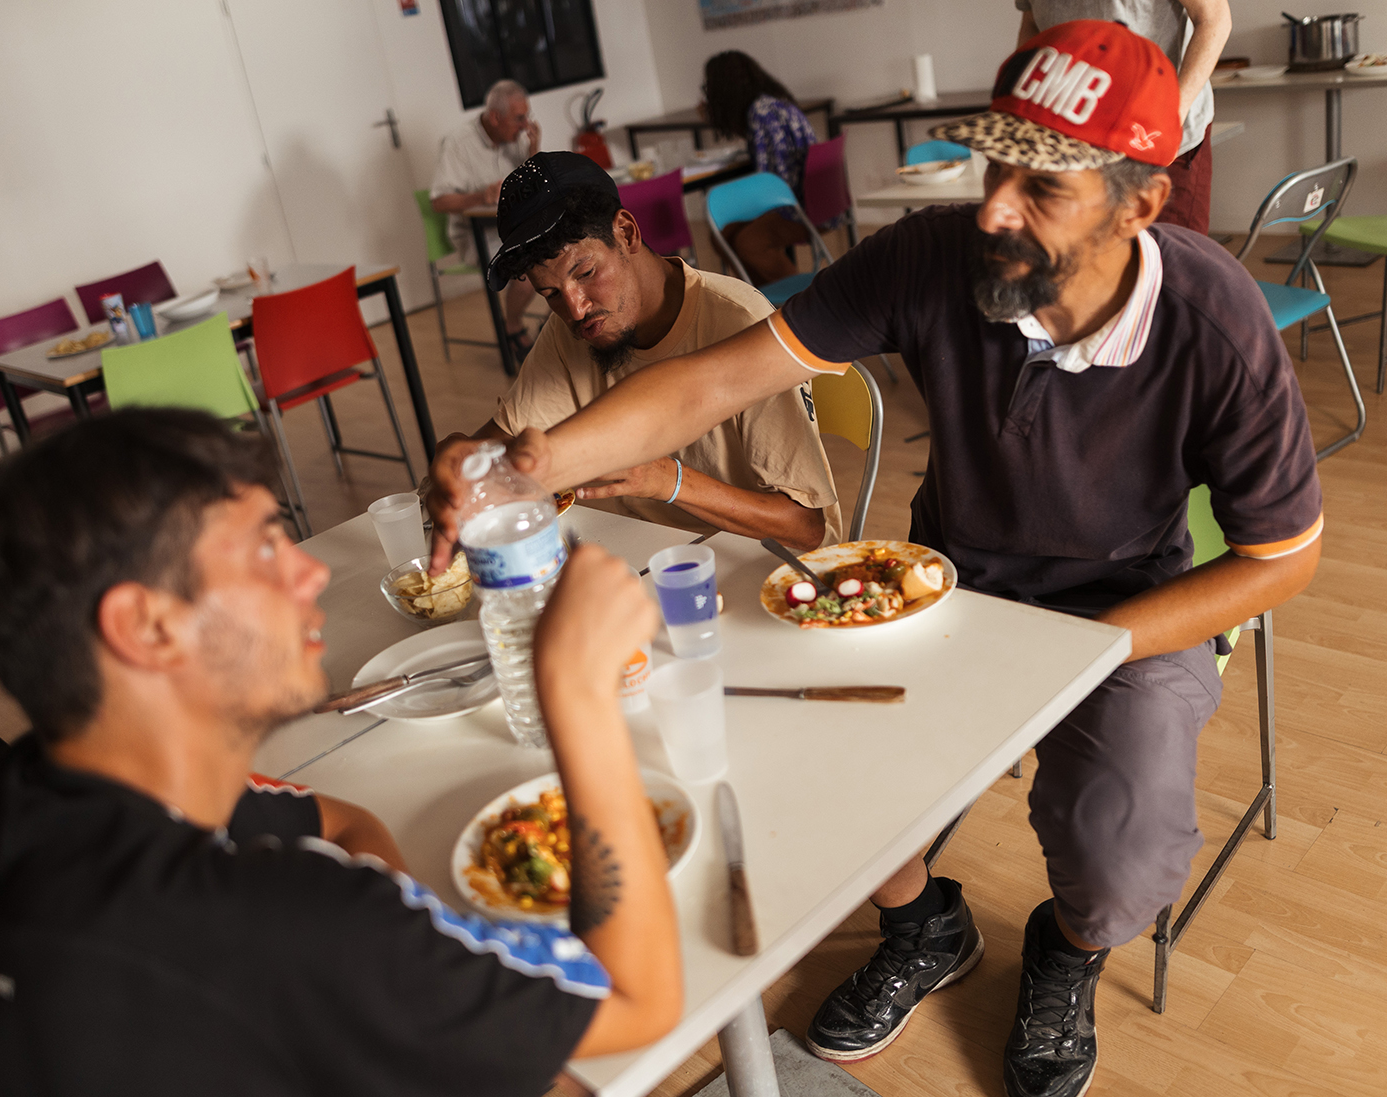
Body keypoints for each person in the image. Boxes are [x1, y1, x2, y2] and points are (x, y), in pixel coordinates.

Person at [429, 21, 1322, 1097]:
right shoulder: (934, 255)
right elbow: (714, 380)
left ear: (1136, 202)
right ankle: (922, 925)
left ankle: (1069, 947)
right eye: (994, 166)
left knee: (1118, 852)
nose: (993, 208)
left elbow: (1279, 556)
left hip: (1123, 603)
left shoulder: (1213, 320)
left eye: (1041, 190)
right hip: (949, 576)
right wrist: (530, 461)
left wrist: (1081, 650)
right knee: (830, 767)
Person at [0, 408, 682, 1096]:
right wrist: (577, 698)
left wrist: (403, 963)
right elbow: (641, 997)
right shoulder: (285, 925)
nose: (310, 571)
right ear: (146, 625)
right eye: (267, 549)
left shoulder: (10, 800)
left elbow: (340, 819)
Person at [451, 151, 841, 551]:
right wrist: (460, 456)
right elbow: (501, 443)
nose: (575, 308)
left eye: (586, 273)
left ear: (626, 232)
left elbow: (807, 528)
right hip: (640, 557)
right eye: (549, 294)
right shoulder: (572, 328)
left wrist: (667, 481)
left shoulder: (739, 323)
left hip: (754, 565)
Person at [1018, 1, 1231, 235]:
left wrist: (1170, 118)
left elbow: (1215, 20)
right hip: (1071, 132)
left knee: (1169, 253)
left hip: (1155, 129)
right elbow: (1032, 21)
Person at [431, 78, 545, 359]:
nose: (524, 125)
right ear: (495, 117)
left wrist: (533, 149)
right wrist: (480, 196)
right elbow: (439, 201)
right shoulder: (458, 143)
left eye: (527, 117)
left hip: (517, 228)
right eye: (519, 118)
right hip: (478, 237)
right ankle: (513, 326)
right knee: (527, 266)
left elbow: (536, 185)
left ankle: (558, 327)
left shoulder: (515, 139)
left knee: (566, 249)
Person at [702, 50, 823, 285]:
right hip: (810, 198)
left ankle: (803, 301)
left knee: (749, 243)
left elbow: (771, 183)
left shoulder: (763, 113)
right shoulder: (769, 105)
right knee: (723, 236)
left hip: (800, 206)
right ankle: (764, 298)